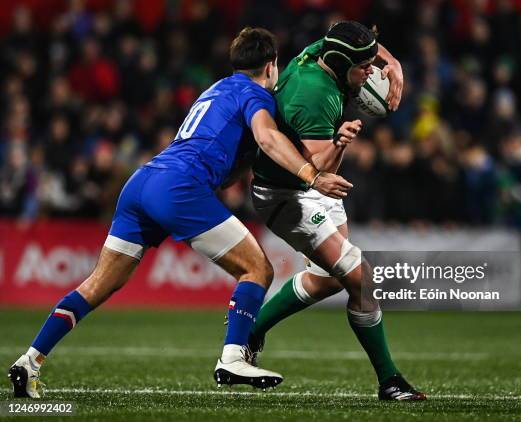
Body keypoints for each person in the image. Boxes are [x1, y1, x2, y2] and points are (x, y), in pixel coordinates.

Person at [7, 27, 354, 398]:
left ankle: (30, 360)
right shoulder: (256, 95)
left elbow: (228, 163)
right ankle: (234, 358)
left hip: (142, 183)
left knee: (97, 284)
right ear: (272, 67)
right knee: (258, 269)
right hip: (178, 187)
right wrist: (310, 175)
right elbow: (268, 139)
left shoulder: (215, 89)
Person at [248, 21, 426, 401]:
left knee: (330, 278)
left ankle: (250, 329)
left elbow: (365, 48)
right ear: (343, 64)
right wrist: (342, 142)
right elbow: (320, 173)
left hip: (306, 180)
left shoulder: (324, 51)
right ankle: (389, 381)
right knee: (360, 277)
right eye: (365, 68)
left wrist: (393, 62)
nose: (371, 73)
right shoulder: (314, 95)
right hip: (287, 193)